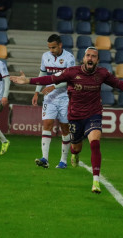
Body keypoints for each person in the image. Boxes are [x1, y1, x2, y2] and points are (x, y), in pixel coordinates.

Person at [11, 46, 123, 193]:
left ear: (98, 60)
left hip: (94, 114)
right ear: (83, 58)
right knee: (76, 148)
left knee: (95, 143)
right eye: (88, 55)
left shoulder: (102, 73)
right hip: (75, 116)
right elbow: (50, 78)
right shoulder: (72, 72)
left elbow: (119, 84)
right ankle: (74, 155)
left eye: (93, 56)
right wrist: (28, 80)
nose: (90, 58)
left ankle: (95, 181)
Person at [32, 34, 75, 169]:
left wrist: (53, 86)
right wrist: (36, 91)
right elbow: (42, 74)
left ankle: (63, 161)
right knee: (47, 124)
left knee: (64, 128)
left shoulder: (69, 58)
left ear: (60, 45)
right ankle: (45, 158)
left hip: (65, 98)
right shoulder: (45, 56)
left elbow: (70, 79)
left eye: (54, 47)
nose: (51, 50)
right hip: (49, 97)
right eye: (49, 47)